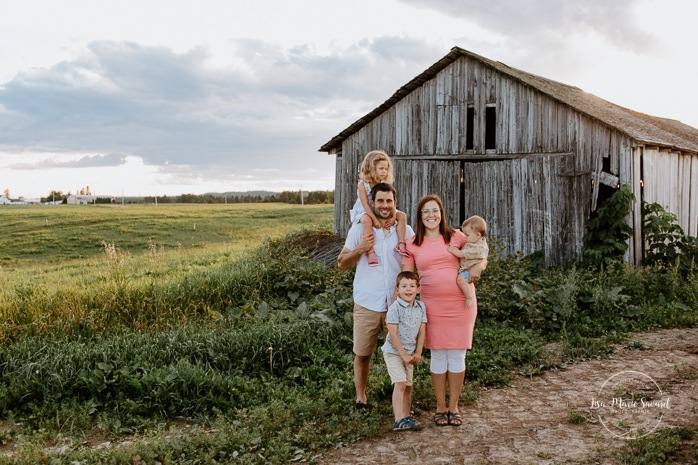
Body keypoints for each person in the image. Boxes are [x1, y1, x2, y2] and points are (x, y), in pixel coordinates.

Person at [402, 195, 487, 427]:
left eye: (435, 210)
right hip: (431, 307)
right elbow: (407, 278)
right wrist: (404, 306)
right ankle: (440, 407)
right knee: (438, 355)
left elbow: (481, 253)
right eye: (426, 211)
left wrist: (479, 267)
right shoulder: (412, 244)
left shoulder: (456, 236)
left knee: (457, 355)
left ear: (441, 213)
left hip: (462, 303)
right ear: (420, 216)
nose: (431, 215)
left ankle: (454, 407)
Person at [338, 182, 415, 411]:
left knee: (402, 354)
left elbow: (414, 264)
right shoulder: (359, 230)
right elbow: (341, 264)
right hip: (367, 303)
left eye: (389, 201)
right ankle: (361, 399)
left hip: (397, 305)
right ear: (372, 203)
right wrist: (361, 248)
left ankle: (401, 403)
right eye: (380, 201)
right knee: (362, 354)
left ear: (395, 203)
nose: (384, 205)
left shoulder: (405, 231)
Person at [381, 271, 427, 431]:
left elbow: (422, 331)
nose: (408, 290)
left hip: (410, 353)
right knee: (400, 384)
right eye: (404, 286)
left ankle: (407, 416)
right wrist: (403, 355)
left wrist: (418, 352)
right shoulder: (395, 308)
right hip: (394, 352)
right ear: (397, 290)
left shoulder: (421, 307)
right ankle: (398, 420)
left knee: (408, 386)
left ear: (418, 289)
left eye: (412, 286)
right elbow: (392, 333)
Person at [349, 150, 409, 267]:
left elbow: (391, 199)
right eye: (381, 168)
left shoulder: (383, 183)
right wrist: (374, 220)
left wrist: (392, 218)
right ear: (371, 168)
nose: (384, 171)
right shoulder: (363, 184)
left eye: (386, 169)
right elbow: (365, 204)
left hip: (379, 208)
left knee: (402, 216)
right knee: (367, 221)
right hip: (364, 210)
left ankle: (401, 243)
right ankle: (370, 251)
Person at [447, 215, 489, 309]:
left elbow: (463, 254)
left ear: (478, 235)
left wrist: (453, 250)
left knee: (460, 280)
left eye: (467, 235)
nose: (464, 237)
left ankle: (469, 297)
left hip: (468, 270)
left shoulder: (478, 248)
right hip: (467, 269)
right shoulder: (475, 241)